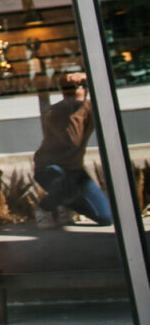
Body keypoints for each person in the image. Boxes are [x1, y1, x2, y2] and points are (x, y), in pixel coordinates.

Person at [33, 73, 111, 227]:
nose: (80, 89)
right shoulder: (55, 112)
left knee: (106, 217)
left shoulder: (89, 106)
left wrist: (89, 80)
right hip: (48, 168)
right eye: (74, 86)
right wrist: (76, 104)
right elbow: (73, 140)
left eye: (83, 85)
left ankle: (64, 203)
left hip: (74, 170)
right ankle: (44, 208)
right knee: (66, 184)